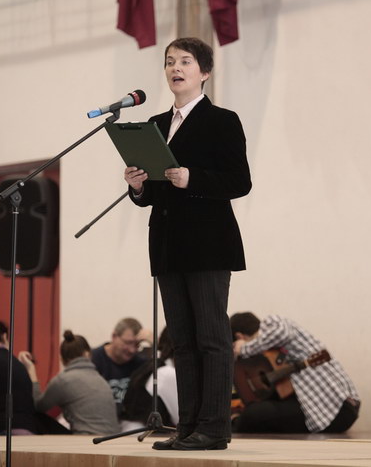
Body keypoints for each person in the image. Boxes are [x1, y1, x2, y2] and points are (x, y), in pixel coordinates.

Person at [124, 37, 251, 451]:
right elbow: (152, 195)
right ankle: (189, 426)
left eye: (185, 61)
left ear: (205, 72)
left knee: (212, 338)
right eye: (169, 62)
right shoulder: (156, 124)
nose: (175, 68)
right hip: (168, 244)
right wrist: (138, 187)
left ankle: (214, 427)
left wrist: (191, 177)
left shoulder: (222, 121)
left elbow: (239, 181)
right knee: (182, 341)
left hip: (208, 244)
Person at [230, 312, 361, 434]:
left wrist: (244, 348)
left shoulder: (270, 323)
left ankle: (233, 422)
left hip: (336, 408)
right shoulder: (268, 356)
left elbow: (283, 332)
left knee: (253, 415)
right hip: (322, 411)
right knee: (259, 411)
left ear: (239, 337)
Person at [18, 330, 119, 435]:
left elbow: (37, 406)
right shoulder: (101, 380)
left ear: (62, 359)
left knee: (37, 417)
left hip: (86, 439)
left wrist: (31, 370)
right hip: (111, 439)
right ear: (88, 355)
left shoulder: (63, 380)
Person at [91, 317, 151, 416]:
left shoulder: (140, 363)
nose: (132, 350)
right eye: (128, 343)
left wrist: (155, 343)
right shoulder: (93, 360)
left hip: (130, 420)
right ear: (114, 336)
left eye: (137, 344)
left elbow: (162, 376)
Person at [120, 327, 179, 428]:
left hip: (130, 430)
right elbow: (182, 419)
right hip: (148, 434)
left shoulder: (149, 366)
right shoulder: (167, 374)